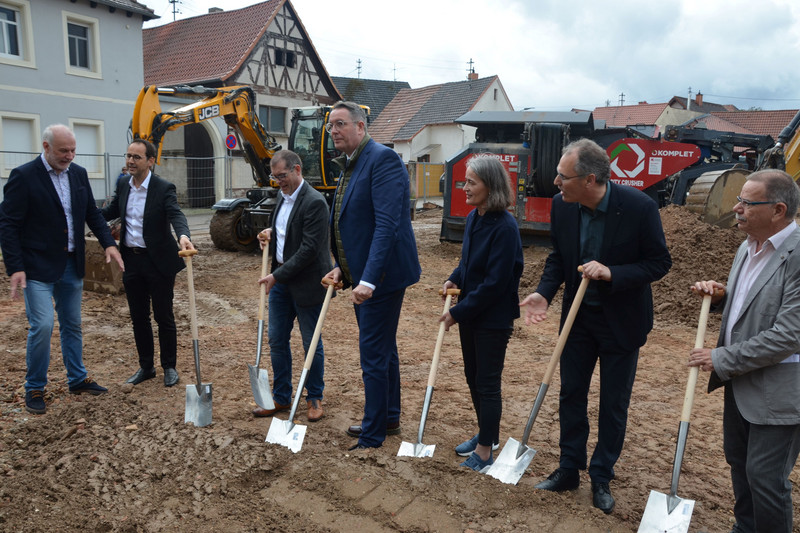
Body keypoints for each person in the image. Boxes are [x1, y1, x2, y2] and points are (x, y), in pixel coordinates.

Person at [520, 138, 671, 513]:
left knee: (612, 403)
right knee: (571, 394)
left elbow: (658, 263)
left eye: (561, 175)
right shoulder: (562, 207)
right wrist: (544, 293)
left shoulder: (639, 208)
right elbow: (559, 256)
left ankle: (601, 475)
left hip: (622, 321)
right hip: (578, 320)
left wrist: (612, 273)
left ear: (589, 180)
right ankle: (569, 468)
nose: (555, 182)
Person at [690, 169, 800, 533]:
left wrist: (720, 358)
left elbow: (789, 335)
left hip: (780, 390)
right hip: (742, 383)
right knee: (739, 462)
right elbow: (753, 304)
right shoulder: (747, 245)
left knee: (766, 477)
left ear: (778, 210)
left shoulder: (797, 256)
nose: (736, 208)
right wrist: (722, 297)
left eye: (747, 203)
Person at [0, 124, 125, 414]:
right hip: (37, 268)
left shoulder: (78, 174)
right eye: (63, 151)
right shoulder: (24, 176)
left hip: (72, 265)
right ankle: (34, 387)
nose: (69, 156)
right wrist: (15, 266)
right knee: (42, 326)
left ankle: (77, 378)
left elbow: (91, 213)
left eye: (72, 150)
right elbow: (8, 224)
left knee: (72, 324)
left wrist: (108, 243)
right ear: (46, 147)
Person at [322, 101, 421, 450]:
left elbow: (387, 225)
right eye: (331, 125)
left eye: (341, 124)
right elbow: (352, 224)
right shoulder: (351, 164)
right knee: (383, 349)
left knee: (373, 355)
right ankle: (388, 417)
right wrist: (343, 267)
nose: (334, 130)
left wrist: (368, 280)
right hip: (366, 274)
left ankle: (373, 433)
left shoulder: (382, 160)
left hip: (383, 277)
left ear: (361, 127)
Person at [441, 154, 523, 472]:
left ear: (490, 186)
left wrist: (457, 312)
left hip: (493, 318)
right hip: (473, 314)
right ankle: (487, 433)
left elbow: (494, 284)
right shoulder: (476, 217)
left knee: (487, 383)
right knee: (473, 378)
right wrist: (454, 277)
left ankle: (485, 451)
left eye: (471, 182)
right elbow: (468, 262)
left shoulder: (506, 227)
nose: (464, 187)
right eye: (465, 181)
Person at [101, 138, 194, 387]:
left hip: (159, 262)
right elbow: (111, 211)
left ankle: (169, 367)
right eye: (128, 155)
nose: (130, 161)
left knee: (163, 316)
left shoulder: (163, 188)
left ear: (150, 161)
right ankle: (146, 367)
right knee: (138, 316)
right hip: (131, 260)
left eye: (137, 157)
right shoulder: (123, 184)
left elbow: (176, 214)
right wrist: (83, 211)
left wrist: (184, 236)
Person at [252, 149, 332, 421]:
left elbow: (309, 248)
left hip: (309, 283)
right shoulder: (281, 198)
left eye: (282, 176)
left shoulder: (315, 202)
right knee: (277, 340)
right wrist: (270, 235)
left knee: (311, 344)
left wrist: (277, 276)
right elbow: (290, 234)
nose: (279, 182)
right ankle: (281, 397)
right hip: (283, 283)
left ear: (297, 170)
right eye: (275, 178)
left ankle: (314, 397)